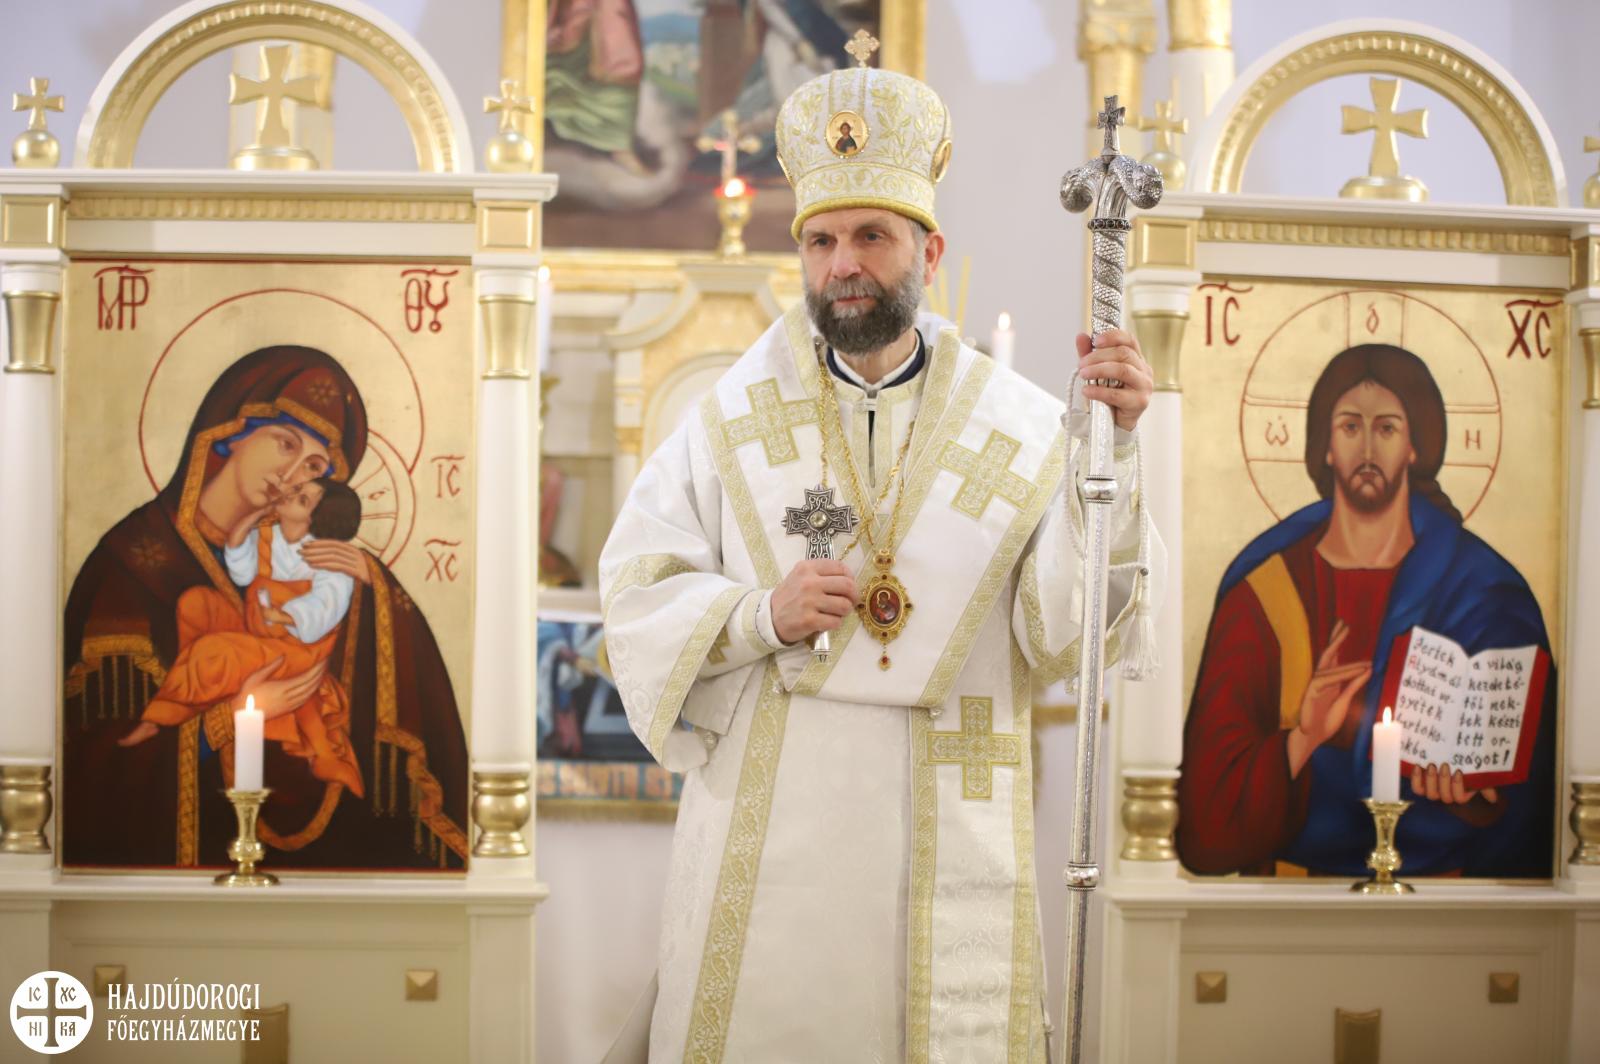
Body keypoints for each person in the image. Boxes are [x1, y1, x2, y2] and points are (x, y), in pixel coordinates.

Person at [600, 50, 1163, 1060]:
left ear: (928, 251)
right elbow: (637, 594)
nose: (842, 265)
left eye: (871, 235)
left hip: (953, 817)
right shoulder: (724, 421)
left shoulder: (1024, 428)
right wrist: (757, 615)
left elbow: (1064, 632)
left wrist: (1109, 451)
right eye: (820, 240)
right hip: (771, 830)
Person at [62, 347, 469, 871]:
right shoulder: (134, 562)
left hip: (331, 864)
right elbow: (95, 756)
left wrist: (376, 586)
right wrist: (228, 720)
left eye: (314, 467)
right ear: (228, 432)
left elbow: (392, 692)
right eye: (285, 443)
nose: (293, 474)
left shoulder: (325, 562)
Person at [1178, 344, 1556, 878]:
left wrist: (1476, 799)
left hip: (1445, 903)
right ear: (1326, 446)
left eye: (1388, 428)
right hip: (1289, 899)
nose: (1368, 448)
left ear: (1415, 447)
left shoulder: (1484, 591)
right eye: (1350, 427)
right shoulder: (1264, 593)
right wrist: (1303, 737)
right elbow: (1207, 818)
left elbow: (1526, 799)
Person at [117, 478, 366, 800]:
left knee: (215, 652)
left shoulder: (325, 555)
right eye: (296, 490)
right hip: (258, 629)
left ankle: (164, 715)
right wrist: (251, 518)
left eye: (302, 500)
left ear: (316, 520)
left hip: (298, 647)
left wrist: (285, 616)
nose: (290, 495)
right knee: (196, 604)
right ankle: (206, 692)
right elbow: (242, 574)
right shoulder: (268, 535)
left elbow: (326, 608)